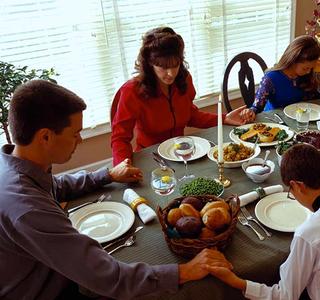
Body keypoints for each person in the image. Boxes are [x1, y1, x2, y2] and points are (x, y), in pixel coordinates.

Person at [0, 80, 232, 299]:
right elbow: (106, 277)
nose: (79, 140)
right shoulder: (27, 209)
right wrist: (184, 271)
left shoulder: (17, 163)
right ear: (46, 137)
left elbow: (57, 186)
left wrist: (108, 174)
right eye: (75, 133)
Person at [206, 144, 320, 300]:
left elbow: (285, 296)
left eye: (291, 191)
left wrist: (236, 281)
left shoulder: (308, 235)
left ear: (297, 186)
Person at [111, 26, 248, 166]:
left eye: (175, 65)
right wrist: (123, 165)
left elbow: (190, 115)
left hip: (182, 154)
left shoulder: (185, 79)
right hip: (151, 158)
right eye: (163, 67)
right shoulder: (132, 91)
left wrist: (224, 118)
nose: (170, 73)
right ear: (150, 64)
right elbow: (120, 138)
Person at [240, 35, 320, 122]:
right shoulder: (271, 78)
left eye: (311, 68)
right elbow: (257, 108)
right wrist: (250, 112)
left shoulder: (305, 75)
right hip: (276, 121)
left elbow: (316, 95)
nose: (309, 71)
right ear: (293, 60)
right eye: (306, 68)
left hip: (300, 121)